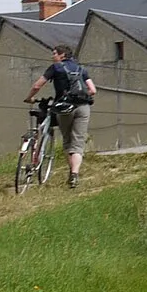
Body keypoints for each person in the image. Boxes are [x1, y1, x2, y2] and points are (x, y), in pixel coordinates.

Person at [28, 43, 97, 187]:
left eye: (54, 53)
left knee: (67, 141)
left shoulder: (56, 68)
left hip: (65, 107)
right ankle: (74, 174)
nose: (52, 56)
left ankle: (71, 171)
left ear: (62, 55)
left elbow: (37, 85)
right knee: (78, 142)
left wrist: (29, 98)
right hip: (83, 107)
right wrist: (79, 94)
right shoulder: (81, 69)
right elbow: (92, 90)